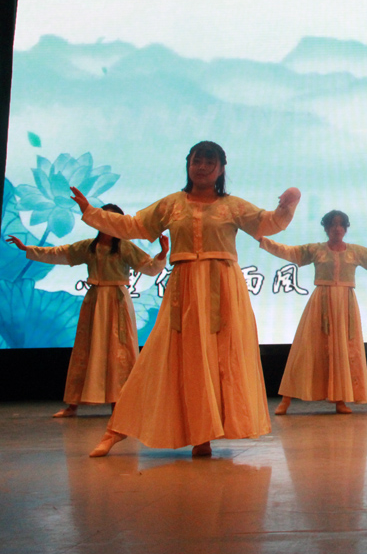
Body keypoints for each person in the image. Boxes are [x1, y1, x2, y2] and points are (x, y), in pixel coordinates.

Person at [70, 141, 300, 457]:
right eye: (196, 160)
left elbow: (268, 223)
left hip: (222, 287)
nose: (202, 167)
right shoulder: (172, 204)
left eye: (209, 161)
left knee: (216, 359)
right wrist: (91, 213)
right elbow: (134, 226)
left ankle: (203, 436)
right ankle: (116, 430)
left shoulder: (232, 206)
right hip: (185, 286)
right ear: (188, 164)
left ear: (221, 169)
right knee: (163, 356)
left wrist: (288, 204)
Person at [6, 205, 169, 417]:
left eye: (114, 221)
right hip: (95, 300)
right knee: (87, 347)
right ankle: (73, 404)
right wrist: (27, 249)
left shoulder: (124, 248)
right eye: (105, 219)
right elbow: (59, 253)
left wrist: (162, 253)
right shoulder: (88, 247)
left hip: (117, 301)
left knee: (118, 349)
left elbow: (149, 268)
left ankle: (119, 403)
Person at [260, 209, 367, 415]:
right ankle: (286, 399)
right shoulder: (316, 249)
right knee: (306, 349)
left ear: (345, 228)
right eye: (333, 224)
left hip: (345, 304)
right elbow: (290, 252)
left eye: (340, 225)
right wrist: (264, 241)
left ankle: (339, 399)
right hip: (321, 302)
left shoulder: (355, 252)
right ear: (326, 228)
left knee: (342, 350)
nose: (337, 228)